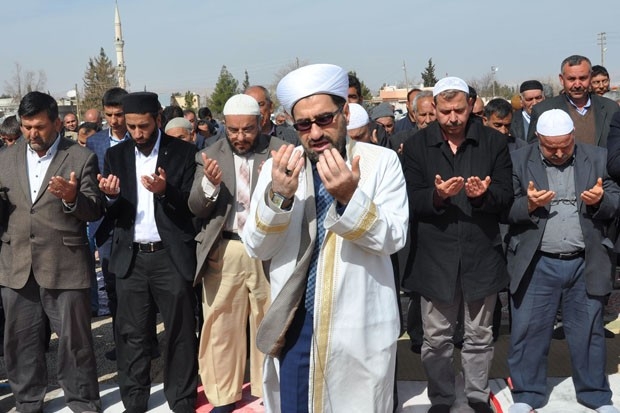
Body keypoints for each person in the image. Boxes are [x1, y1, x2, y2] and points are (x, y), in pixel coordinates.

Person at [242, 63, 408, 412]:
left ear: (345, 113)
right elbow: (256, 246)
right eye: (304, 124)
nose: (315, 132)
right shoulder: (280, 168)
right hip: (297, 324)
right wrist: (279, 196)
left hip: (359, 323)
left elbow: (393, 238)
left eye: (324, 119)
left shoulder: (381, 163)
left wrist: (350, 198)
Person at [402, 77, 513, 413]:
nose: (453, 118)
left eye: (460, 110)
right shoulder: (417, 146)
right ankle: (442, 397)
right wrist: (436, 196)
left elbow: (506, 197)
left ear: (471, 107)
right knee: (436, 338)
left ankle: (477, 395)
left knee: (479, 335)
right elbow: (409, 200)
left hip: (481, 253)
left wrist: (482, 197)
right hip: (435, 257)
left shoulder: (493, 142)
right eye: (445, 111)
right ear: (433, 108)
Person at [506, 109, 620, 413]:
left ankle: (596, 395)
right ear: (538, 140)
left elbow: (615, 198)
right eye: (550, 147)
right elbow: (503, 207)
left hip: (585, 260)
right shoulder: (518, 160)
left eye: (565, 146)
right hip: (537, 262)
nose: (558, 153)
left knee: (589, 332)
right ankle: (527, 394)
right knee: (529, 331)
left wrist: (601, 201)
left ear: (574, 137)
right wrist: (528, 205)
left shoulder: (597, 158)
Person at [0, 91, 103, 412]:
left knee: (75, 343)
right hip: (16, 264)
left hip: (65, 264)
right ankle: (28, 401)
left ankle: (82, 400)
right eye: (26, 126)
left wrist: (72, 198)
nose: (32, 133)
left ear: (57, 123)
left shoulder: (80, 157)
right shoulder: (5, 158)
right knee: (20, 342)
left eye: (39, 127)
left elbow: (94, 208)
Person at [97, 92, 198, 413]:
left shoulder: (183, 152)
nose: (138, 133)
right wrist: (111, 198)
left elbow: (192, 209)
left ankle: (181, 399)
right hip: (131, 258)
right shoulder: (116, 155)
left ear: (158, 119)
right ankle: (134, 401)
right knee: (131, 335)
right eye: (131, 127)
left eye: (144, 126)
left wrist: (165, 191)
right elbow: (113, 213)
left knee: (180, 332)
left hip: (170, 257)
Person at [188, 94, 287, 413]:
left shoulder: (280, 151)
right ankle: (223, 396)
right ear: (224, 125)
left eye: (247, 129)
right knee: (220, 325)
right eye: (233, 130)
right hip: (225, 249)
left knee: (269, 321)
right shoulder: (208, 155)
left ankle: (267, 388)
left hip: (268, 249)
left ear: (260, 123)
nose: (241, 137)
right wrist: (210, 186)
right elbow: (196, 207)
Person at [86, 86, 130, 361]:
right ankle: (121, 343)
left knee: (139, 286)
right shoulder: (95, 143)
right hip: (106, 226)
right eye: (109, 115)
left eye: (119, 114)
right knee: (112, 287)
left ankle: (146, 341)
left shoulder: (140, 138)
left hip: (135, 220)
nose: (114, 120)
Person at [527, 55, 619, 146]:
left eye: (582, 78)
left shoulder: (610, 108)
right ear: (561, 79)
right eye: (571, 79)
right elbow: (533, 149)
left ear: (590, 77)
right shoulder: (543, 110)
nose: (577, 85)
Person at [389, 90, 436, 155]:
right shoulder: (399, 140)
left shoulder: (448, 140)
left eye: (432, 114)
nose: (428, 120)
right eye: (423, 115)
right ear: (414, 114)